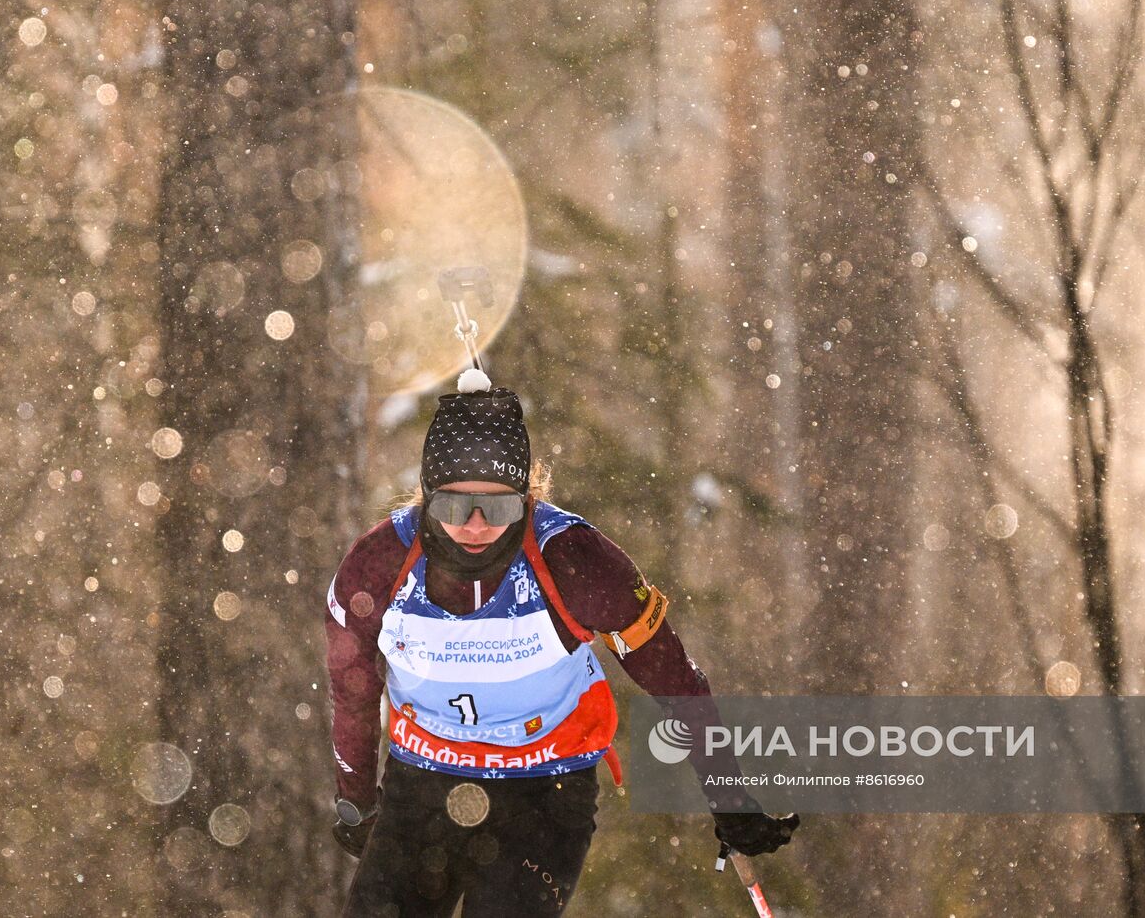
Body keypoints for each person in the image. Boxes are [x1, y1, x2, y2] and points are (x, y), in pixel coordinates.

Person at [324, 373, 798, 917]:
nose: (476, 527)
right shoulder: (375, 567)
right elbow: (354, 690)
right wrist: (356, 801)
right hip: (423, 785)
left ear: (526, 499)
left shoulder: (577, 562)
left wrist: (729, 798)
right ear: (428, 497)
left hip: (544, 794)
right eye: (455, 508)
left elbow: (675, 683)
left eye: (499, 509)